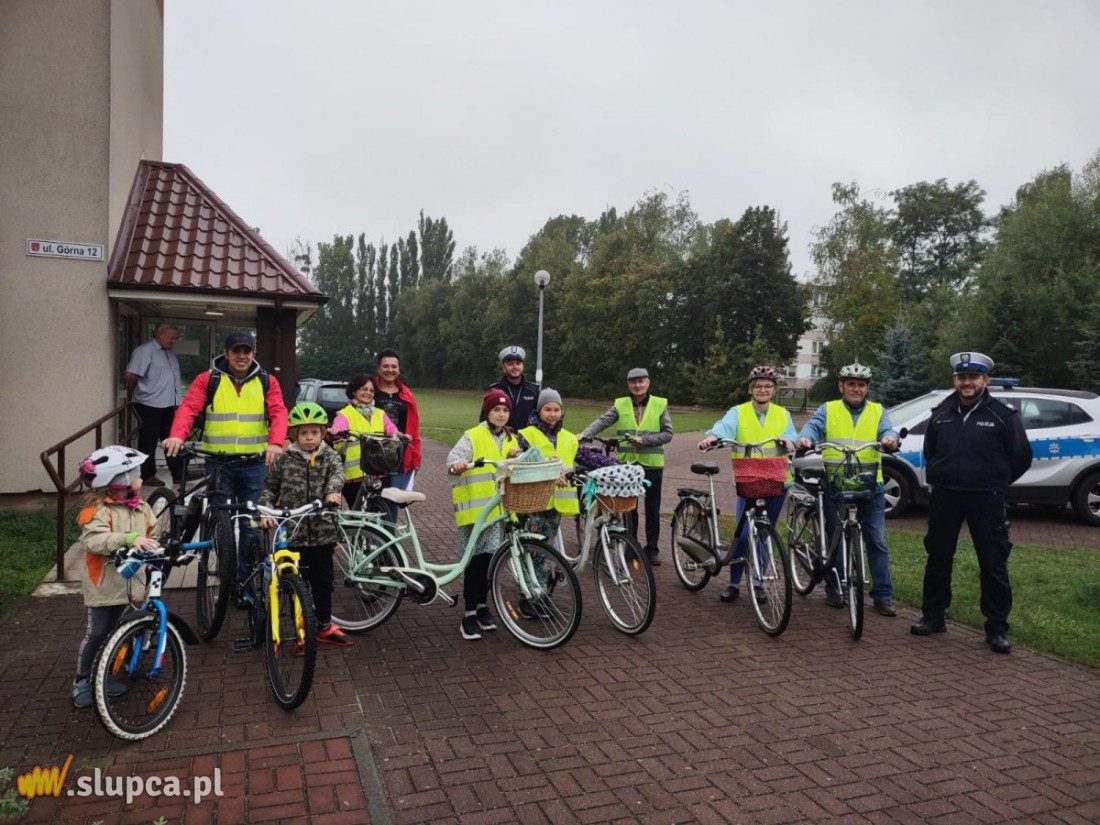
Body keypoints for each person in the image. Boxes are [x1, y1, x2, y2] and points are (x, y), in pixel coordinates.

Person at [911, 352, 1032, 654]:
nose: (967, 382)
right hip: (945, 495)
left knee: (993, 562)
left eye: (973, 377)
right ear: (955, 380)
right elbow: (931, 451)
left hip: (986, 497)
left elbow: (1021, 457)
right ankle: (933, 617)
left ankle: (996, 629)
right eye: (961, 377)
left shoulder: (1003, 415)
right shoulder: (941, 412)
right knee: (938, 556)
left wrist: (996, 480)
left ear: (985, 380)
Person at [162, 331, 288, 605]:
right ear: (226, 353)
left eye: (247, 351)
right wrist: (177, 436)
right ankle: (225, 572)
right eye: (236, 351)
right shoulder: (208, 379)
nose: (242, 356)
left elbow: (279, 412)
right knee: (223, 525)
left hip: (253, 464)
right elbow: (189, 408)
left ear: (253, 353)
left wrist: (276, 443)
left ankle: (244, 584)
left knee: (251, 525)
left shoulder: (267, 381)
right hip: (218, 464)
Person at [796, 362, 899, 616]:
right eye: (851, 384)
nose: (856, 389)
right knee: (835, 537)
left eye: (861, 385)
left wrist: (890, 439)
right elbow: (813, 426)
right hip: (835, 483)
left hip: (869, 484)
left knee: (877, 540)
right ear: (841, 386)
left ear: (867, 388)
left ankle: (883, 595)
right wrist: (806, 438)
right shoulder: (828, 409)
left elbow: (888, 430)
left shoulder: (877, 411)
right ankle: (835, 587)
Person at [70, 446, 165, 708]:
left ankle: (105, 675)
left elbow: (153, 534)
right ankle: (82, 679)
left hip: (131, 584)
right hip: (104, 585)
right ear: (121, 479)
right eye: (136, 474)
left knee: (117, 632)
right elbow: (94, 541)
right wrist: (129, 539)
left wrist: (157, 547)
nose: (141, 477)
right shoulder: (99, 510)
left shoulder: (142, 508)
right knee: (97, 632)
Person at [699, 366, 797, 603]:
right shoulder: (738, 412)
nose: (763, 390)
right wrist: (712, 437)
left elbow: (792, 435)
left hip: (777, 482)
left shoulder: (782, 413)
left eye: (767, 386)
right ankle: (734, 583)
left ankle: (757, 581)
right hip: (749, 481)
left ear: (774, 390)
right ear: (751, 389)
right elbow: (724, 427)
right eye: (758, 386)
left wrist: (788, 440)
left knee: (764, 533)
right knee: (743, 535)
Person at [258, 402, 351, 646]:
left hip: (323, 532)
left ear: (322, 433)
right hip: (294, 532)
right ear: (294, 435)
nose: (309, 438)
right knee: (295, 584)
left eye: (314, 432)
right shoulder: (284, 460)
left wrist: (332, 492)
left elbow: (338, 474)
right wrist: (266, 510)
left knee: (323, 582)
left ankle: (324, 626)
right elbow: (270, 487)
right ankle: (300, 631)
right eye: (304, 433)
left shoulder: (330, 456)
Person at [447, 390, 522, 640]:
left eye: (505, 410)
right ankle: (468, 613)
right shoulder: (472, 436)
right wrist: (457, 465)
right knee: (475, 562)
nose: (501, 414)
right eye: (496, 410)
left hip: (500, 513)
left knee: (491, 561)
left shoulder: (512, 439)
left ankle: (482, 606)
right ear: (487, 412)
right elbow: (454, 460)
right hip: (477, 513)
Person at [580, 367, 673, 566]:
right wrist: (584, 434)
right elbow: (603, 421)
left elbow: (668, 433)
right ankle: (631, 547)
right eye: (633, 382)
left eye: (641, 381)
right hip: (628, 465)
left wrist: (645, 441)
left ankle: (652, 549)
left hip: (652, 465)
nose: (637, 385)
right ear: (628, 384)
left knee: (653, 509)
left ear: (648, 383)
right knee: (630, 509)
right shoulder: (620, 404)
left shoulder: (659, 404)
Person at [519, 389, 580, 548]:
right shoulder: (527, 434)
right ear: (539, 411)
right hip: (534, 502)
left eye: (556, 409)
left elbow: (584, 456)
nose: (552, 414)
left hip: (556, 504)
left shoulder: (569, 437)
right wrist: (550, 474)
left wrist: (614, 465)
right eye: (547, 409)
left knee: (549, 547)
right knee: (534, 547)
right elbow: (523, 464)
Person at [124, 324, 183, 485]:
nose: (174, 341)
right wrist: (139, 392)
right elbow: (130, 375)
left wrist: (176, 402)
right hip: (148, 404)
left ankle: (179, 474)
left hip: (167, 404)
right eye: (171, 338)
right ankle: (147, 475)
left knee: (171, 439)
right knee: (148, 441)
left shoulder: (169, 353)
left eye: (175, 338)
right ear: (160, 334)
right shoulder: (145, 351)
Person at [331, 373, 401, 508]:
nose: (368, 393)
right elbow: (338, 428)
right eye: (364, 389)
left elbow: (391, 429)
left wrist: (400, 435)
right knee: (357, 511)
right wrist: (336, 432)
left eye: (371, 390)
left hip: (378, 471)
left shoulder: (380, 413)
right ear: (354, 391)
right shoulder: (345, 413)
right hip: (355, 475)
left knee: (379, 511)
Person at [371, 349, 422, 519]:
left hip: (400, 457)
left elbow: (414, 428)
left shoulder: (406, 395)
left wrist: (416, 457)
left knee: (392, 501)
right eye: (385, 366)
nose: (390, 370)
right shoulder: (370, 391)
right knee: (373, 499)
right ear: (378, 368)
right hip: (374, 456)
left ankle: (389, 534)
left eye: (394, 366)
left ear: (398, 370)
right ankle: (372, 534)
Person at [488, 345, 540, 430]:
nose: (515, 367)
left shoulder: (534, 390)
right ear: (503, 368)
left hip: (528, 437)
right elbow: (485, 419)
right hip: (502, 437)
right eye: (510, 364)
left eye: (518, 363)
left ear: (522, 366)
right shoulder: (495, 390)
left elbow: (540, 417)